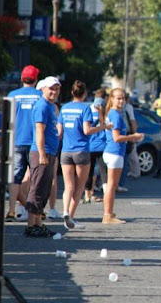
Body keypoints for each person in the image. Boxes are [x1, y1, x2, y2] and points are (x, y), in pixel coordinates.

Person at [57, 81, 111, 230]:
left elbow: (59, 133)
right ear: (85, 93)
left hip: (66, 151)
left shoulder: (64, 108)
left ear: (72, 93)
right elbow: (87, 131)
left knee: (68, 186)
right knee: (79, 187)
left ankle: (65, 212)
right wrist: (103, 127)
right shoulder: (85, 108)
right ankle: (71, 218)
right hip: (81, 150)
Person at [24, 76, 61, 238]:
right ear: (43, 89)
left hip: (49, 152)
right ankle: (31, 225)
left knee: (44, 189)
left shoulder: (50, 106)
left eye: (57, 88)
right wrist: (41, 154)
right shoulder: (42, 106)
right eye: (51, 88)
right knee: (37, 188)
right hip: (42, 152)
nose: (54, 92)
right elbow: (39, 131)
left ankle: (38, 223)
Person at [101, 88, 144, 224]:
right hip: (115, 152)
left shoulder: (113, 113)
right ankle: (108, 215)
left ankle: (109, 213)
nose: (121, 101)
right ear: (111, 99)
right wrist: (134, 137)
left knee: (111, 185)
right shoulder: (115, 115)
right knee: (112, 186)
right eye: (118, 98)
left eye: (123, 98)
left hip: (111, 152)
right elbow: (117, 138)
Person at [7, 65, 42, 222]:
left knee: (15, 177)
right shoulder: (41, 96)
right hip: (36, 142)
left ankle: (12, 210)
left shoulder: (12, 95)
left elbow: (7, 121)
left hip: (16, 140)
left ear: (22, 78)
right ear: (36, 79)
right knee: (35, 179)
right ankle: (34, 211)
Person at [84, 89, 107, 204]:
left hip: (90, 146)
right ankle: (107, 195)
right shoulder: (106, 113)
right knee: (103, 172)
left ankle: (87, 195)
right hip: (102, 146)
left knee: (89, 171)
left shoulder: (88, 111)